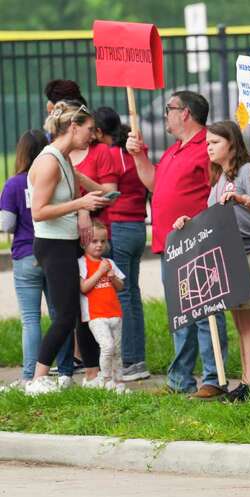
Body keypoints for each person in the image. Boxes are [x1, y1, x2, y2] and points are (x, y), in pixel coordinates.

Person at [125, 90, 228, 398]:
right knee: (181, 315)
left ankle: (214, 378)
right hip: (171, 244)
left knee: (206, 311)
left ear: (185, 113)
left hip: (198, 242)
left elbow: (220, 187)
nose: (165, 115)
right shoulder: (174, 151)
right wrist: (139, 156)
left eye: (169, 109)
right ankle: (180, 379)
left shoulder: (206, 147)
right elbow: (155, 185)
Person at [173, 121, 250, 402]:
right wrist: (188, 224)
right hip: (233, 258)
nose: (209, 148)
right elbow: (213, 219)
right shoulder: (219, 179)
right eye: (207, 143)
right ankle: (245, 384)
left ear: (231, 143)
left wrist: (242, 199)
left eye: (215, 143)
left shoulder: (245, 172)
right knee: (241, 325)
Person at [25, 101, 110, 395]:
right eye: (89, 130)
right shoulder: (49, 161)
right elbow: (38, 211)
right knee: (66, 313)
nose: (93, 136)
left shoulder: (64, 158)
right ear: (73, 127)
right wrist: (81, 204)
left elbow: (87, 185)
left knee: (82, 310)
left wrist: (97, 197)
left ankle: (93, 373)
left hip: (68, 241)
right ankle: (37, 378)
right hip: (53, 245)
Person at [0, 130, 74, 391]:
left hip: (24, 253)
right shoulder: (54, 172)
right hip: (53, 250)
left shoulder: (14, 183)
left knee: (30, 318)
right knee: (60, 315)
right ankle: (65, 371)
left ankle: (32, 375)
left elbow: (6, 223)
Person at [94, 107, 150, 383]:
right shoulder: (136, 151)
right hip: (139, 226)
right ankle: (137, 357)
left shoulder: (112, 155)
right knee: (133, 294)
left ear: (101, 132)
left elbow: (110, 193)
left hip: (120, 225)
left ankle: (130, 359)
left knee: (123, 295)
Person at [78, 220, 127, 392]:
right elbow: (83, 288)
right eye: (94, 241)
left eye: (103, 241)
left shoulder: (109, 262)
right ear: (84, 242)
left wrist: (112, 277)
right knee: (107, 347)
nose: (99, 245)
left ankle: (119, 382)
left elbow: (121, 286)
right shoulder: (82, 263)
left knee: (118, 352)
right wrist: (99, 272)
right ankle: (106, 381)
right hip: (96, 315)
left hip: (114, 313)